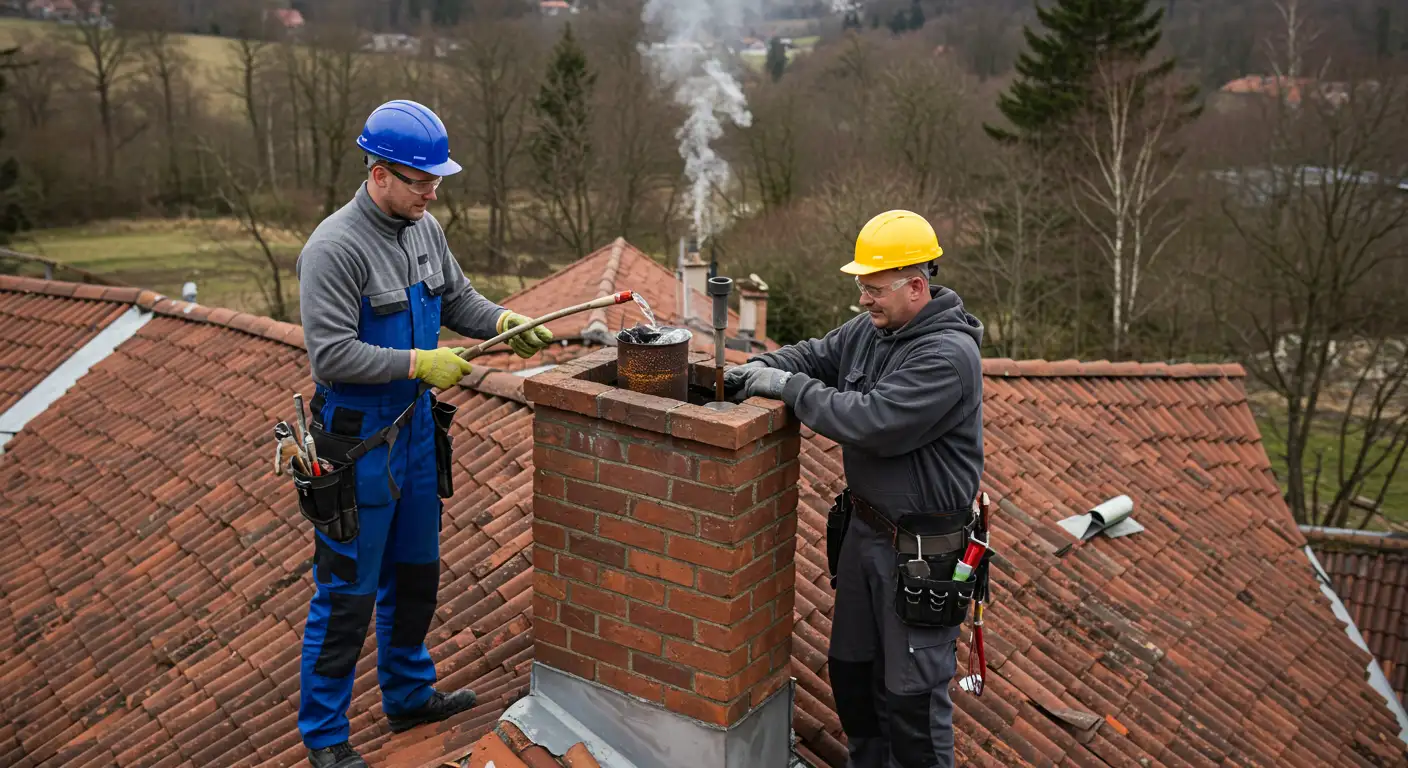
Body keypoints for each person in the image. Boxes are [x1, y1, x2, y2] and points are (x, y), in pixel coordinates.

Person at [294, 99, 553, 768]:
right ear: (378, 174)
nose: (433, 191)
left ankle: (408, 694)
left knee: (417, 577)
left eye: (436, 179)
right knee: (347, 592)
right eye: (420, 179)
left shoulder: (425, 229)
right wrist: (419, 362)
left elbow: (458, 299)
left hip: (413, 435)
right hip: (356, 443)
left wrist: (502, 322)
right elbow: (330, 355)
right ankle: (324, 735)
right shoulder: (334, 247)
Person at [725, 210, 984, 768]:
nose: (864, 300)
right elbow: (816, 355)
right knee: (853, 673)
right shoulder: (873, 331)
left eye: (873, 289)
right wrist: (756, 370)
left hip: (919, 552)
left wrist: (789, 389)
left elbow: (874, 420)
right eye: (860, 288)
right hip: (866, 534)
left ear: (917, 286)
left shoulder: (947, 356)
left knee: (912, 699)